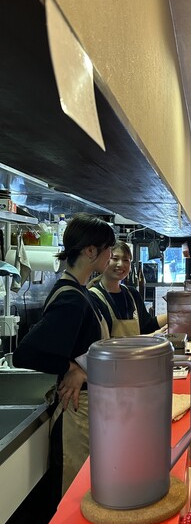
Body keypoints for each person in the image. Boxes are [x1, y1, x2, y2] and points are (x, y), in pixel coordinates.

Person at [13, 213, 115, 501]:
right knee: (75, 498)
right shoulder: (72, 299)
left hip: (87, 409)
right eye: (108, 248)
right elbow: (24, 354)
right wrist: (71, 368)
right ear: (91, 251)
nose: (110, 255)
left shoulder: (78, 291)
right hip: (75, 412)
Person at [88, 240, 167, 337]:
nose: (121, 264)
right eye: (115, 258)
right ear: (104, 260)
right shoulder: (93, 297)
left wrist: (175, 315)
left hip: (138, 347)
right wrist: (153, 336)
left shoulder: (132, 294)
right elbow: (103, 340)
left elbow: (147, 325)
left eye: (126, 260)